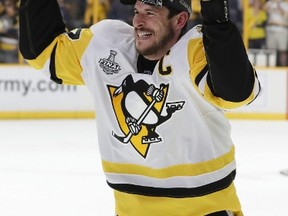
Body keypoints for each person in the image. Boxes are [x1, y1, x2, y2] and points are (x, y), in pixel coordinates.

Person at [18, 0, 261, 215]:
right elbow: (42, 51)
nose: (138, 21)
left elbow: (236, 93)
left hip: (205, 210)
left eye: (151, 12)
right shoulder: (105, 44)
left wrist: (216, 22)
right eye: (137, 10)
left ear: (180, 20)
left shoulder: (195, 49)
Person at [264, 0, 288, 66]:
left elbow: (285, 15)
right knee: (270, 51)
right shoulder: (270, 3)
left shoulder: (285, 4)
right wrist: (271, 3)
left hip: (282, 29)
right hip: (270, 29)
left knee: (282, 51)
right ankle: (271, 67)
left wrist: (278, 5)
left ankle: (283, 68)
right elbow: (263, 10)